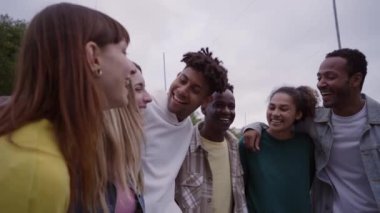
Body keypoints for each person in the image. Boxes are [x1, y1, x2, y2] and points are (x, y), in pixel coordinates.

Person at [0, 3, 133, 212]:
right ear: (93, 56)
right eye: (124, 51)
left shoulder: (34, 144)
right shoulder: (38, 169)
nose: (131, 67)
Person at [243, 48, 380, 212]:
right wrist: (253, 127)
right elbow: (278, 124)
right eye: (319, 77)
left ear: (356, 79)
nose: (321, 83)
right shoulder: (314, 122)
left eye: (330, 77)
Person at [142, 47, 229, 213]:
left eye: (195, 90)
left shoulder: (188, 129)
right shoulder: (145, 106)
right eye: (182, 80)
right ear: (176, 76)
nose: (182, 91)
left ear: (206, 100)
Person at [240, 86, 317, 213]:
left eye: (283, 109)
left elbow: (307, 183)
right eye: (272, 107)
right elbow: (239, 186)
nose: (275, 113)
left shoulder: (306, 145)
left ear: (298, 114)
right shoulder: (249, 142)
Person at [175, 84, 247, 213]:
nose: (226, 111)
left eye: (231, 107)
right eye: (219, 105)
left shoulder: (237, 149)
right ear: (203, 107)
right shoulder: (181, 146)